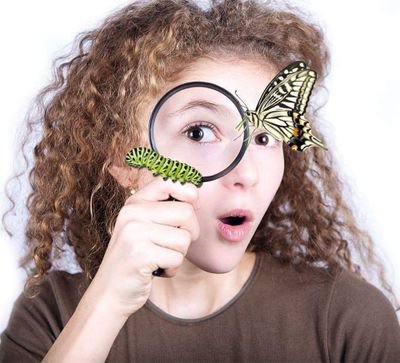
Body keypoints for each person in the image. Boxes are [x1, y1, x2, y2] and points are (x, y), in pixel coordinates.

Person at [1, 0, 399, 362]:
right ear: (124, 160)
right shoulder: (51, 315)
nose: (247, 173)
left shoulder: (347, 320)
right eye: (199, 132)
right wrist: (105, 305)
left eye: (264, 138)